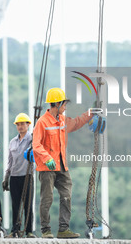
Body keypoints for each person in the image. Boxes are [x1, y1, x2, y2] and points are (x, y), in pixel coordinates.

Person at [32, 87, 93, 239]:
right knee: (47, 198)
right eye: (64, 104)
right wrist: (47, 158)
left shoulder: (63, 120)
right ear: (57, 104)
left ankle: (63, 229)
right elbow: (36, 144)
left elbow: (77, 122)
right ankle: (46, 230)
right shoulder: (42, 122)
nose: (65, 107)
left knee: (66, 195)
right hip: (47, 167)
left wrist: (91, 113)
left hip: (62, 166)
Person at [2, 113, 36, 238]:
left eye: (23, 124)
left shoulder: (32, 139)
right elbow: (10, 161)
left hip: (27, 175)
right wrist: (6, 177)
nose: (20, 126)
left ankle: (29, 231)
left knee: (28, 204)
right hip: (14, 177)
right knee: (15, 205)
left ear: (28, 125)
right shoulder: (12, 142)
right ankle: (15, 230)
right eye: (18, 124)